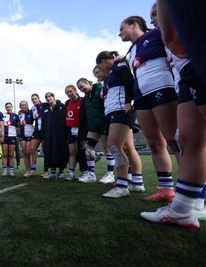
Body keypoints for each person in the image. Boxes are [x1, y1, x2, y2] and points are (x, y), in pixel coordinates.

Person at [140, 0, 206, 228]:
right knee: (187, 140)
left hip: (193, 60)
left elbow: (171, 38)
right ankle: (185, 207)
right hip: (185, 73)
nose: (152, 19)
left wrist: (171, 38)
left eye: (155, 13)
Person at [119, 15, 177, 202]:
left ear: (134, 25)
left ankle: (193, 192)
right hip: (141, 96)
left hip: (162, 87)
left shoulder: (156, 33)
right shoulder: (131, 49)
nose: (119, 32)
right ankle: (166, 189)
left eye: (122, 28)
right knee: (155, 143)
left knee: (175, 140)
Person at [95, 51, 144, 198]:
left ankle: (122, 185)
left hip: (121, 109)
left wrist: (128, 102)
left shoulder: (119, 65)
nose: (101, 70)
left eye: (100, 66)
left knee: (114, 145)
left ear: (104, 61)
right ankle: (137, 183)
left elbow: (129, 81)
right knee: (128, 148)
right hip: (115, 110)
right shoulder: (112, 73)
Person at [76, 76, 115, 184]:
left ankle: (110, 174)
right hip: (93, 126)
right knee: (88, 149)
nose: (82, 90)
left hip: (104, 123)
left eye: (82, 87)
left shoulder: (100, 89)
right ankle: (91, 174)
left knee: (107, 149)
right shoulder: (86, 97)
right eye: (80, 89)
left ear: (88, 82)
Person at [41, 92, 68, 179]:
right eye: (46, 97)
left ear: (53, 97)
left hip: (60, 134)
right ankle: (53, 172)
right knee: (50, 152)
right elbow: (44, 123)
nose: (48, 98)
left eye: (50, 96)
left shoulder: (62, 107)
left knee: (61, 151)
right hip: (49, 135)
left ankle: (61, 171)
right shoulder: (46, 109)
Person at [64, 85, 83, 181]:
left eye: (70, 91)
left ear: (75, 91)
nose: (69, 94)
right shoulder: (67, 103)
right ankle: (71, 173)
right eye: (67, 93)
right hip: (70, 131)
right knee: (72, 152)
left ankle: (85, 172)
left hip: (81, 130)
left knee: (81, 152)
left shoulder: (83, 101)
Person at [29, 94, 48, 177]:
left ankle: (46, 170)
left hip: (45, 131)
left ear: (39, 98)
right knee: (32, 149)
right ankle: (33, 170)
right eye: (32, 99)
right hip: (37, 131)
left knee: (45, 150)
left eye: (35, 99)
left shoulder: (45, 105)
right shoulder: (33, 108)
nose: (34, 100)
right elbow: (30, 117)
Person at [1, 102, 19, 176]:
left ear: (12, 107)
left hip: (12, 136)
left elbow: (19, 126)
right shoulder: (3, 115)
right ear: (5, 108)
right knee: (5, 154)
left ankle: (11, 170)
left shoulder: (15, 116)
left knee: (11, 154)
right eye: (7, 107)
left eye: (10, 107)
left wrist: (16, 131)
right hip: (5, 136)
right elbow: (0, 125)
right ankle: (4, 170)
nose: (8, 108)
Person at [18, 100, 34, 177]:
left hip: (30, 134)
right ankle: (28, 170)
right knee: (25, 153)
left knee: (29, 152)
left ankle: (32, 169)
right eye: (22, 105)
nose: (24, 106)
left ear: (27, 105)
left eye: (25, 105)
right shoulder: (20, 114)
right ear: (20, 107)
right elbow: (18, 124)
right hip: (22, 135)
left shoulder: (31, 112)